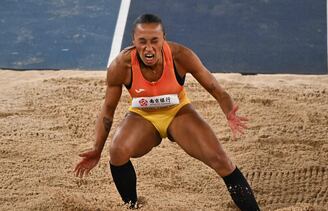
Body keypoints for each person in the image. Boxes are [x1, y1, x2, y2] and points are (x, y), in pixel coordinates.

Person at [74, 13, 260, 210]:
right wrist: (97, 148)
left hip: (178, 112)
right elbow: (108, 110)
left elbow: (216, 89)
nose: (149, 48)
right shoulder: (121, 65)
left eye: (155, 41)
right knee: (117, 151)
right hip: (143, 116)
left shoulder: (181, 56)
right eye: (142, 41)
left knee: (221, 160)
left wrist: (229, 111)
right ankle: (131, 206)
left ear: (164, 39)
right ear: (133, 41)